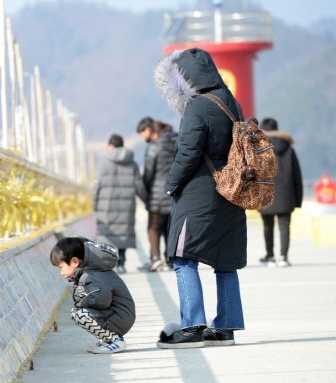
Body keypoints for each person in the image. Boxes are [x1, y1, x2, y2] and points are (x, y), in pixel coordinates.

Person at [153, 47, 247, 348]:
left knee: (183, 257)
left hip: (198, 195)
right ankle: (226, 328)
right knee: (225, 261)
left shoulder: (197, 107)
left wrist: (171, 185)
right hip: (230, 192)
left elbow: (188, 152)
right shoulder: (231, 103)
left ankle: (192, 327)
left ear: (184, 78)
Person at [50, 237, 135, 354]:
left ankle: (115, 340)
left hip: (121, 316)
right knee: (78, 311)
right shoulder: (90, 271)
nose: (61, 273)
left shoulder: (92, 275)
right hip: (119, 314)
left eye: (61, 268)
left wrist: (81, 303)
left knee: (80, 314)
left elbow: (101, 300)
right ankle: (109, 339)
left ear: (75, 262)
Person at [93, 133, 147, 273]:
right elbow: (139, 185)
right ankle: (122, 263)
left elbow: (96, 186)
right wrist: (146, 200)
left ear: (110, 145)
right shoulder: (132, 163)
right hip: (126, 205)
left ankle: (108, 263)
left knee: (107, 234)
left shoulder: (103, 163)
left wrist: (95, 203)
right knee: (123, 233)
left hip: (107, 205)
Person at [258, 117, 303, 267]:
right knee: (285, 226)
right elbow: (297, 175)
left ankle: (270, 257)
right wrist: (298, 199)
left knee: (267, 226)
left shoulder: (259, 148)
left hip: (266, 194)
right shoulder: (289, 148)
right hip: (286, 194)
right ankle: (283, 257)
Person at [137, 119, 176, 272]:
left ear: (152, 131)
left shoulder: (153, 147)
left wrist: (146, 194)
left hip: (156, 193)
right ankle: (171, 258)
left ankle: (155, 258)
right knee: (170, 226)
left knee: (153, 227)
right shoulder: (177, 140)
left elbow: (148, 173)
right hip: (175, 191)